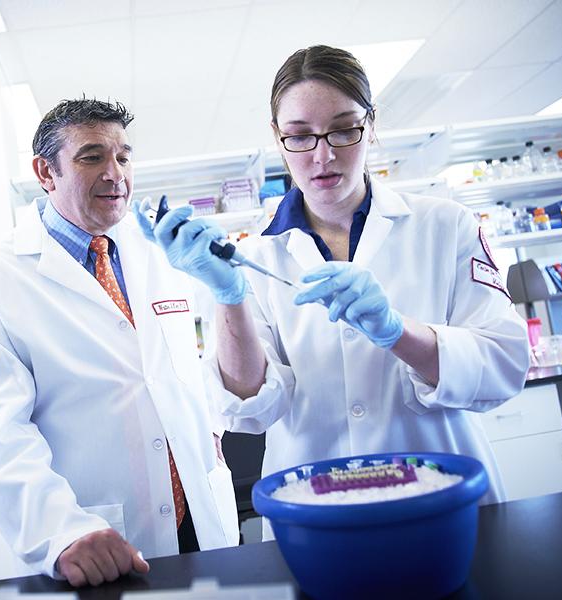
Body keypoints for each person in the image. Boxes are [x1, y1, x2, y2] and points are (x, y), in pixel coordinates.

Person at [134, 45, 529, 534]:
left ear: (370, 125)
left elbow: (505, 366)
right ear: (278, 140)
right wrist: (229, 297)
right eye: (300, 136)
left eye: (344, 129)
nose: (324, 155)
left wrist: (397, 331)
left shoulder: (446, 225)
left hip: (443, 501)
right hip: (314, 518)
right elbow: (250, 408)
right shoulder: (255, 256)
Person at [0, 98, 239, 587]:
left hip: (202, 509)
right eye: (92, 157)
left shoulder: (157, 247)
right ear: (46, 172)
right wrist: (60, 532)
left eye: (124, 157)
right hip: (100, 538)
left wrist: (209, 424)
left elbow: (191, 363)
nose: (116, 174)